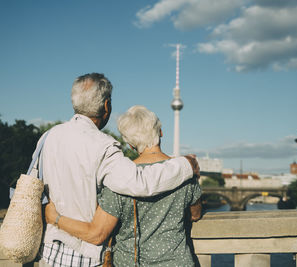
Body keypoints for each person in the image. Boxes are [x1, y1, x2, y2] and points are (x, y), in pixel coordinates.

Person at [38, 73, 199, 267]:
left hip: (51, 251)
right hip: (86, 256)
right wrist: (185, 165)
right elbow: (139, 183)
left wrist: (54, 217)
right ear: (106, 106)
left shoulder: (48, 137)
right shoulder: (103, 146)